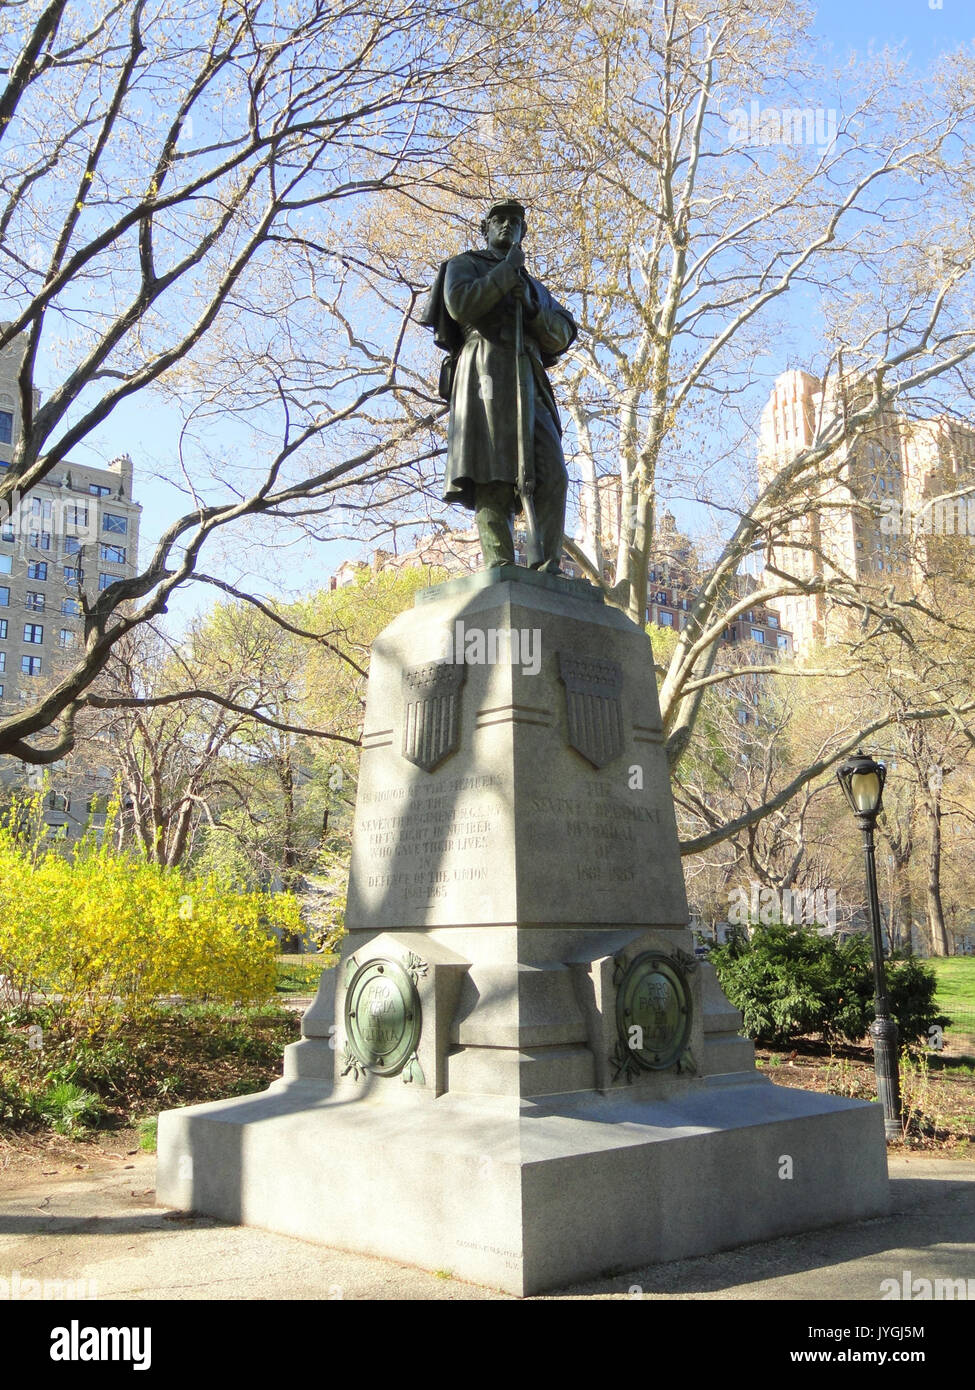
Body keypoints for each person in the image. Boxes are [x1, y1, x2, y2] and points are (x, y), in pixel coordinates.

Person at [421, 200, 577, 571]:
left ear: (524, 232)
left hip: (528, 372)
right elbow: (460, 305)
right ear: (485, 228)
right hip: (484, 369)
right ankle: (500, 564)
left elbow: (564, 332)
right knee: (490, 467)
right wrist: (505, 274)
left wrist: (534, 308)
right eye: (500, 220)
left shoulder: (534, 286)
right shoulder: (464, 265)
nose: (508, 226)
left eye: (515, 222)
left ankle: (548, 567)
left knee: (552, 472)